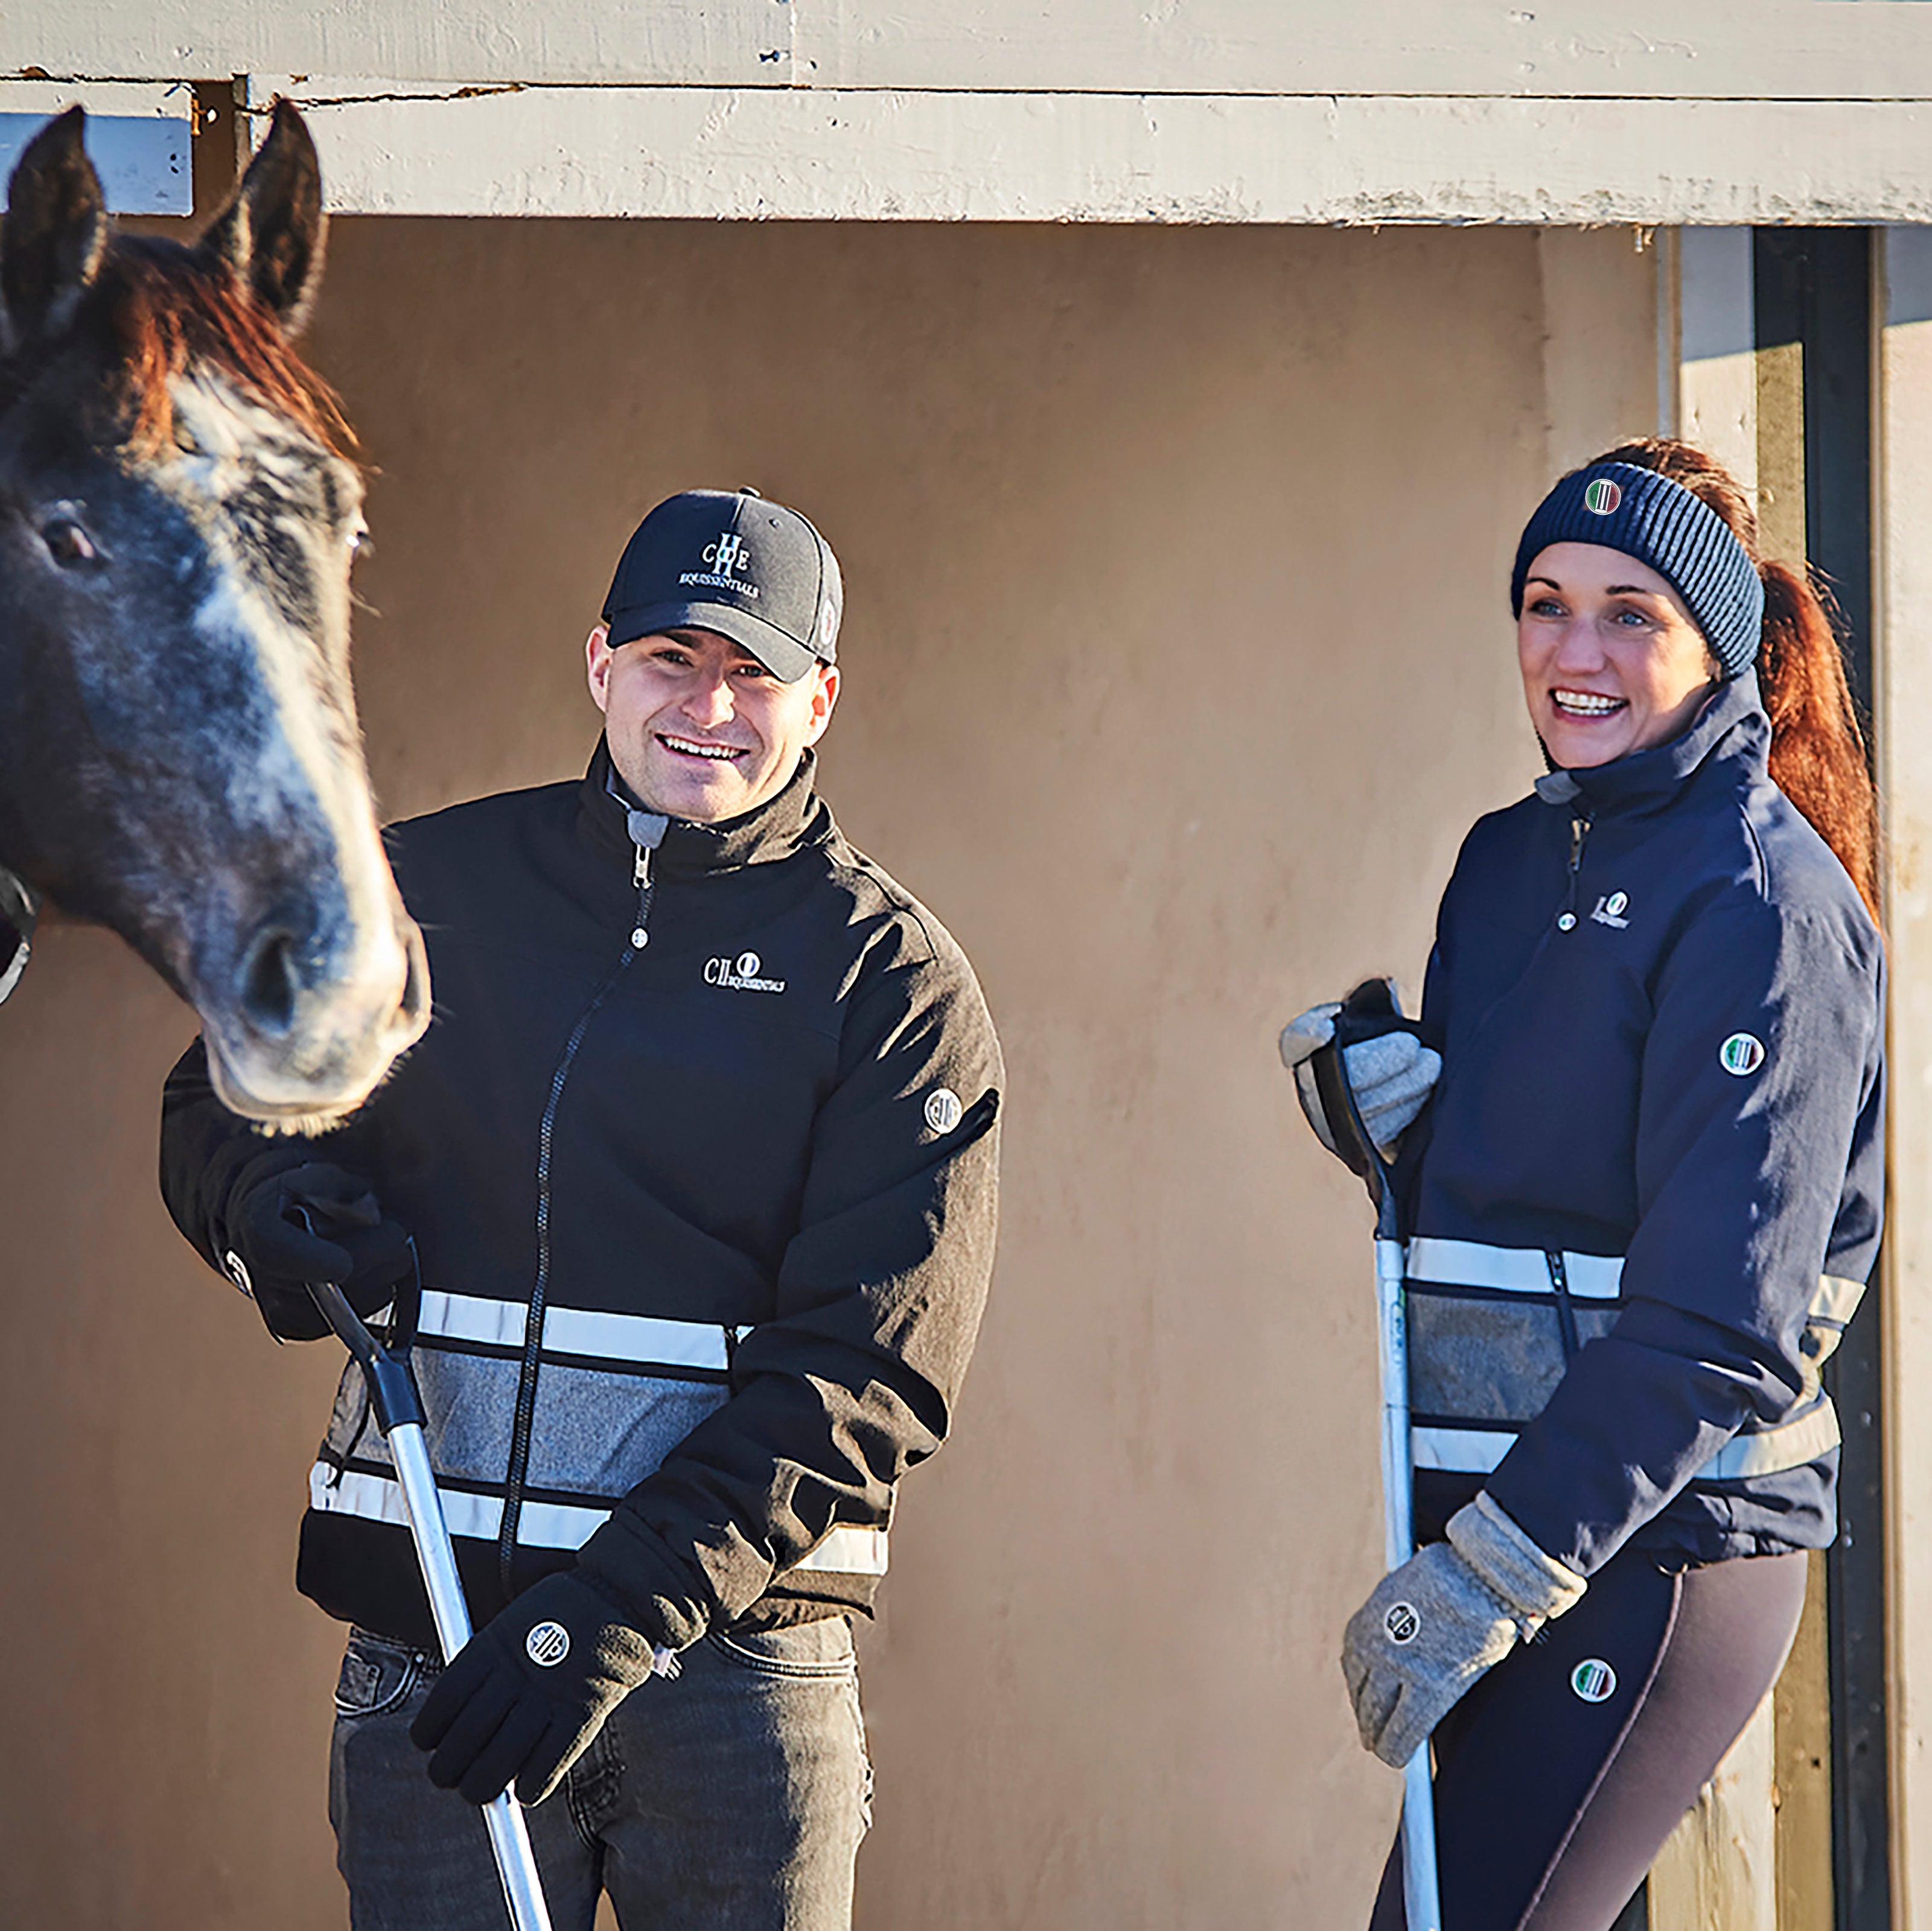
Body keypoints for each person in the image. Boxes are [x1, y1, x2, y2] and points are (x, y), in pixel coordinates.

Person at [159, 486, 1003, 1930]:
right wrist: (263, 1208)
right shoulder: (429, 890)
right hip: (437, 1650)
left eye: (755, 670)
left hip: (731, 1681)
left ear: (819, 702)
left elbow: (872, 1379)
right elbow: (222, 1096)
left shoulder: (892, 985)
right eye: (675, 657)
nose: (710, 705)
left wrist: (592, 1621)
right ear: (601, 662)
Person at [1281, 441, 1884, 1930]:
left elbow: (1713, 1327)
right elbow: (1545, 1200)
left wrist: (1486, 1572)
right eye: (1545, 604)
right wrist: (1381, 1116)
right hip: (1512, 1526)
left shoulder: (1757, 900)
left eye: (1630, 613)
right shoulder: (1501, 862)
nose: (1574, 649)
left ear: (1714, 650)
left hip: (1660, 1550)